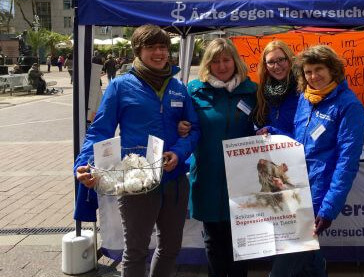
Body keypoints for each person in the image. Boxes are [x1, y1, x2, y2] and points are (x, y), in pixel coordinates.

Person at [74, 24, 200, 277]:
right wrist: (85, 162)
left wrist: (178, 152)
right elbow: (100, 130)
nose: (159, 53)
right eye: (151, 47)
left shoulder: (178, 87)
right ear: (138, 51)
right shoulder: (121, 86)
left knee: (171, 247)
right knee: (135, 251)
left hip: (174, 180)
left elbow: (194, 128)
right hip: (136, 180)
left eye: (163, 47)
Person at [268, 45, 364, 277]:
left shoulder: (349, 106)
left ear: (333, 70)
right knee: (309, 261)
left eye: (319, 69)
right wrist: (272, 132)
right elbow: (298, 142)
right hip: (295, 189)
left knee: (284, 266)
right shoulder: (305, 98)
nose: (313, 76)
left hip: (317, 196)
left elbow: (347, 163)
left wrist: (329, 207)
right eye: (308, 71)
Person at [187, 38, 257, 277]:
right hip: (209, 176)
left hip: (243, 179)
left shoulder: (251, 91)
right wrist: (181, 126)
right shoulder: (195, 90)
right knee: (213, 241)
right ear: (208, 63)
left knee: (242, 241)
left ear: (235, 61)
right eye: (215, 61)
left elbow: (262, 126)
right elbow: (183, 122)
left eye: (226, 59)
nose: (222, 65)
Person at [254, 40, 299, 135]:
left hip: (298, 148)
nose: (276, 66)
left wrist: (275, 132)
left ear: (290, 59)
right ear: (265, 66)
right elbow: (260, 123)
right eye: (270, 62)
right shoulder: (262, 92)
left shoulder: (302, 88)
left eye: (281, 60)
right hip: (273, 148)